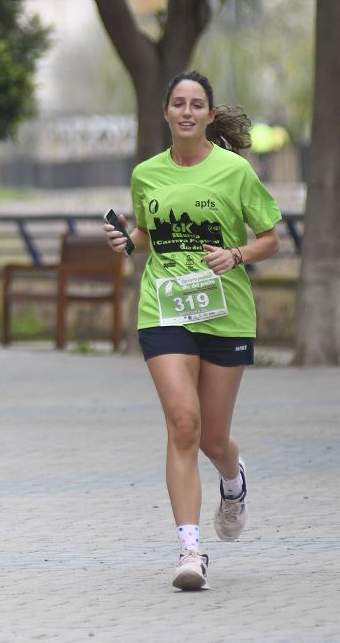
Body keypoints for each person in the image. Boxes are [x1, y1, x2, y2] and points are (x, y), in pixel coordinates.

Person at [104, 71, 281, 591]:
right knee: (183, 424)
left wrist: (237, 254)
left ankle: (234, 480)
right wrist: (127, 241)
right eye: (177, 103)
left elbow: (271, 238)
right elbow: (145, 235)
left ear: (207, 114)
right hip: (165, 309)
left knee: (212, 437)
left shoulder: (235, 171)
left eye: (196, 104)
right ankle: (190, 552)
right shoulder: (146, 174)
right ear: (165, 113)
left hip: (225, 312)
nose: (186, 112)